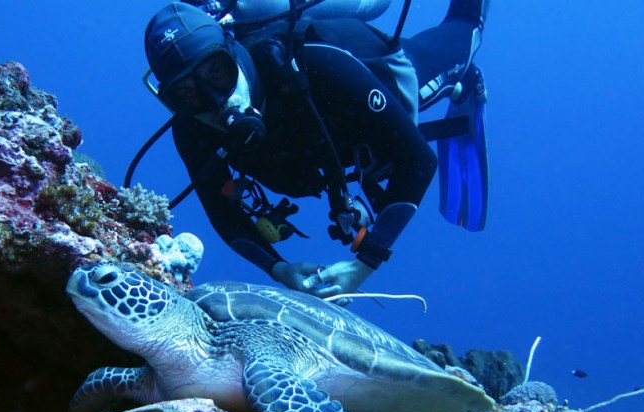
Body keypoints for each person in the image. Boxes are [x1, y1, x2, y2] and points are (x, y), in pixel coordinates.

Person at [142, 0, 488, 300]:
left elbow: (418, 160)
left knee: (464, 32)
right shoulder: (192, 130)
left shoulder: (313, 64)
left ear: (233, 50)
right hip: (326, 152)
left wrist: (365, 263)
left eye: (217, 72)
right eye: (187, 94)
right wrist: (279, 269)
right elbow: (222, 214)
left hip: (379, 84)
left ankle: (467, 81)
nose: (215, 100)